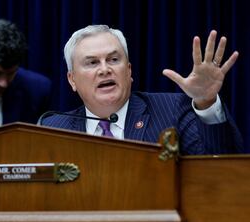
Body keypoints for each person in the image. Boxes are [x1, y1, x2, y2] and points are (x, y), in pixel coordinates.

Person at [41, 25, 243, 155]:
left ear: (128, 71)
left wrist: (206, 102)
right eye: (92, 63)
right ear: (72, 79)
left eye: (113, 60)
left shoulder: (172, 110)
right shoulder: (53, 129)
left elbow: (220, 166)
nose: (105, 69)